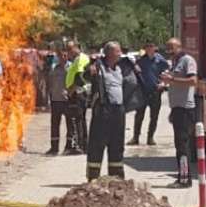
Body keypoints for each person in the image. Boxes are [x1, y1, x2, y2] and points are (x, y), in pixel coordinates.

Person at [85, 41, 131, 181]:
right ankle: (93, 177)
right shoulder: (98, 67)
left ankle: (116, 178)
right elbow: (83, 78)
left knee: (117, 144)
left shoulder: (120, 67)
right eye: (118, 51)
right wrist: (90, 70)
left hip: (118, 111)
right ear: (110, 53)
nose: (120, 54)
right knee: (97, 144)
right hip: (103, 110)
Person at [162, 37, 198, 188]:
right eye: (168, 48)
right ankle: (181, 176)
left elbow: (193, 81)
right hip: (177, 108)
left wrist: (172, 80)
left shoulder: (187, 60)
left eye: (172, 48)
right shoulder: (175, 62)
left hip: (185, 109)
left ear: (179, 47)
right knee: (178, 145)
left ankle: (185, 179)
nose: (169, 51)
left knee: (182, 145)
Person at [130, 41, 168, 146]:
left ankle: (150, 137)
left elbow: (167, 72)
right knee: (139, 116)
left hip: (155, 91)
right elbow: (135, 74)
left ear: (155, 47)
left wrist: (163, 83)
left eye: (151, 46)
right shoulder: (141, 61)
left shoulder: (160, 60)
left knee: (154, 116)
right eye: (147, 47)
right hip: (142, 92)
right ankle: (135, 137)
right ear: (145, 48)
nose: (150, 48)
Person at [63, 40, 89, 155]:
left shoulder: (80, 59)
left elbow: (79, 77)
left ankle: (79, 146)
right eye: (67, 49)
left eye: (70, 48)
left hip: (77, 93)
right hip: (76, 93)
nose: (68, 51)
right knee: (80, 119)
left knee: (76, 119)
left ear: (77, 47)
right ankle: (83, 145)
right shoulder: (76, 59)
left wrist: (70, 90)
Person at [44, 48, 71, 155]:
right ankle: (54, 148)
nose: (63, 58)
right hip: (55, 100)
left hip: (67, 100)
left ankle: (69, 146)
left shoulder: (71, 68)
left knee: (70, 124)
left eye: (65, 55)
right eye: (61, 56)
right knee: (55, 125)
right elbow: (49, 83)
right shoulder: (54, 68)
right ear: (58, 57)